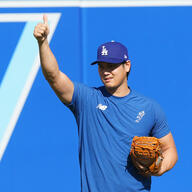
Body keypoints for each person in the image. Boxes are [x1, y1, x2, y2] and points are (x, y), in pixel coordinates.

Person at [33, 15, 178, 192]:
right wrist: (43, 43)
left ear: (127, 65)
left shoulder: (149, 108)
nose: (106, 71)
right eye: (101, 66)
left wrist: (159, 168)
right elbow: (53, 76)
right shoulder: (86, 99)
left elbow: (170, 150)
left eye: (112, 65)